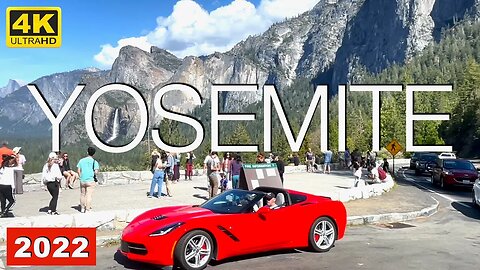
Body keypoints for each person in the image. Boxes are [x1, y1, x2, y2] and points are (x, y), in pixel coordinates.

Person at [77, 147, 100, 213]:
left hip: (83, 180)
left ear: (87, 152)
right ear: (94, 154)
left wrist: (81, 176)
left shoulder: (81, 160)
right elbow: (96, 172)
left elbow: (78, 170)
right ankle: (87, 209)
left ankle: (82, 208)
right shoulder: (94, 162)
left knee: (82, 194)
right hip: (90, 180)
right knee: (89, 195)